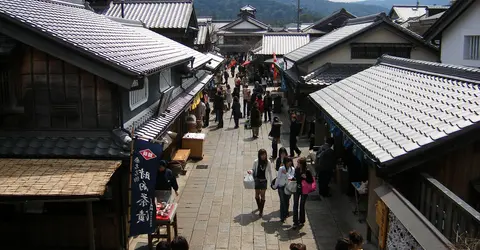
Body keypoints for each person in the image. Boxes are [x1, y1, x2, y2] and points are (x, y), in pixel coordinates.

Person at [247, 149, 273, 217]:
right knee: (257, 195)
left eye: (264, 154)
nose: (263, 156)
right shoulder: (256, 161)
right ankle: (259, 206)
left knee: (263, 195)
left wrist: (271, 181)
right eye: (262, 155)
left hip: (264, 180)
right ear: (259, 155)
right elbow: (253, 170)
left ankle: (261, 211)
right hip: (257, 180)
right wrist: (250, 171)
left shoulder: (268, 162)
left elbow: (270, 172)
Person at [292, 157, 314, 229]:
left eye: (298, 163)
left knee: (302, 205)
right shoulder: (296, 169)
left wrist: (305, 178)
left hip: (304, 190)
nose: (297, 164)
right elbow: (295, 177)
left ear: (302, 164)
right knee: (295, 205)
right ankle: (295, 221)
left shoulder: (307, 171)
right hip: (297, 189)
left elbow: (311, 181)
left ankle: (301, 220)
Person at [274, 157, 295, 222]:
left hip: (288, 187)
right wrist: (275, 186)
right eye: (288, 161)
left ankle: (286, 213)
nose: (290, 163)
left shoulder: (292, 169)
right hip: (281, 187)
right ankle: (282, 217)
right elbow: (278, 177)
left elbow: (291, 178)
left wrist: (286, 173)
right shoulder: (281, 168)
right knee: (282, 201)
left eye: (290, 161)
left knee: (287, 201)